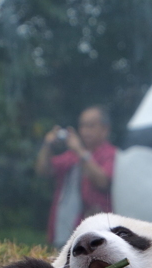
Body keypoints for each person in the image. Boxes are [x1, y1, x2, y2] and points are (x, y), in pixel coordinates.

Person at [35, 105, 116, 247]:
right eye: (83, 126)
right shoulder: (71, 156)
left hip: (97, 235)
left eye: (91, 126)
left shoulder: (111, 154)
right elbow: (43, 171)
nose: (85, 131)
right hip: (65, 232)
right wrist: (48, 145)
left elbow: (103, 181)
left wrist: (80, 151)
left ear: (105, 129)